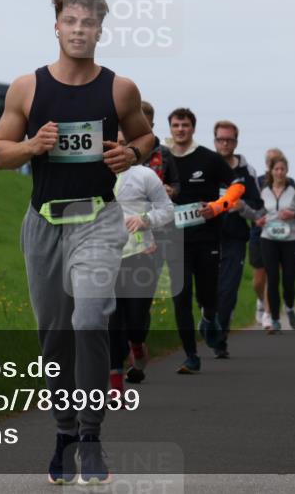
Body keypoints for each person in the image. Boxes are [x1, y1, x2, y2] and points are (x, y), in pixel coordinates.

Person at [0, 0, 154, 485]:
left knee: (89, 318)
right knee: (55, 334)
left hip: (98, 221)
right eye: (71, 21)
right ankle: (63, 432)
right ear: (57, 27)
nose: (79, 29)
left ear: (101, 30)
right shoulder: (27, 88)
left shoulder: (119, 89)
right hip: (43, 222)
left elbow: (147, 136)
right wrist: (31, 146)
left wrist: (134, 154)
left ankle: (91, 434)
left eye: (89, 23)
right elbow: (0, 152)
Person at [167, 107, 237, 373]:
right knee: (180, 296)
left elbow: (236, 185)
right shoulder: (162, 159)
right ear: (171, 128)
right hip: (174, 239)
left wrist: (219, 206)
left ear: (193, 128)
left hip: (207, 238)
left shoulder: (208, 158)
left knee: (207, 296)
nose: (180, 129)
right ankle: (190, 356)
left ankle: (209, 318)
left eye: (185, 125)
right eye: (176, 125)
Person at [108, 132, 174, 389]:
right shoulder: (90, 177)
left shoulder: (144, 175)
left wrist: (145, 219)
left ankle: (137, 345)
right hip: (105, 258)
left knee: (135, 322)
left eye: (124, 145)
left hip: (140, 255)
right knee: (112, 322)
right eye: (113, 144)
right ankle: (115, 387)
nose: (118, 150)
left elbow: (166, 210)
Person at [130, 101, 180, 379]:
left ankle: (137, 342)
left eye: (144, 121)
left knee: (141, 298)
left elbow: (178, 187)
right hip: (120, 238)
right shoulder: (116, 152)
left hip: (156, 235)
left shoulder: (164, 154)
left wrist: (171, 190)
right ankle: (118, 360)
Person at [211, 120, 262, 358]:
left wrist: (241, 207)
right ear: (215, 141)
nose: (225, 143)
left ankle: (220, 339)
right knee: (207, 290)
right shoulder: (206, 165)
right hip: (206, 237)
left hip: (234, 239)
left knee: (228, 290)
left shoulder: (245, 172)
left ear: (236, 142)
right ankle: (209, 322)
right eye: (221, 139)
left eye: (229, 140)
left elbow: (259, 208)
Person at [255, 154, 295, 333]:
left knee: (288, 281)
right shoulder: (263, 190)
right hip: (268, 238)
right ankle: (275, 318)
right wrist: (259, 219)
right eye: (276, 169)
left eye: (282, 169)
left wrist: (294, 215)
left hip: (290, 240)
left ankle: (290, 308)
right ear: (271, 171)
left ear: (287, 171)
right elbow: (257, 211)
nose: (279, 172)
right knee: (272, 278)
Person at [252, 148, 284, 330]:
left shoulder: (290, 184)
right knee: (258, 280)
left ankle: (268, 315)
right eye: (271, 161)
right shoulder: (257, 182)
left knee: (272, 276)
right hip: (259, 233)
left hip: (280, 235)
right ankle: (260, 301)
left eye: (278, 161)